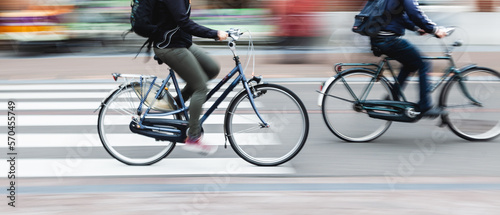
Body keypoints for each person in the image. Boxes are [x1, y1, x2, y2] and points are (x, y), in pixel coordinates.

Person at [152, 0, 228, 155]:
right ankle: (193, 137)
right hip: (169, 47)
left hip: (182, 43)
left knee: (212, 68)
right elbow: (184, 22)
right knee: (201, 87)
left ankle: (177, 102)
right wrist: (214, 33)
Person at [370, 0, 448, 117]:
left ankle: (393, 97)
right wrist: (434, 30)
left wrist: (417, 29)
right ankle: (425, 106)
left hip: (378, 38)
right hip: (389, 39)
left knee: (410, 64)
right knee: (423, 63)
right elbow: (414, 12)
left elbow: (398, 15)